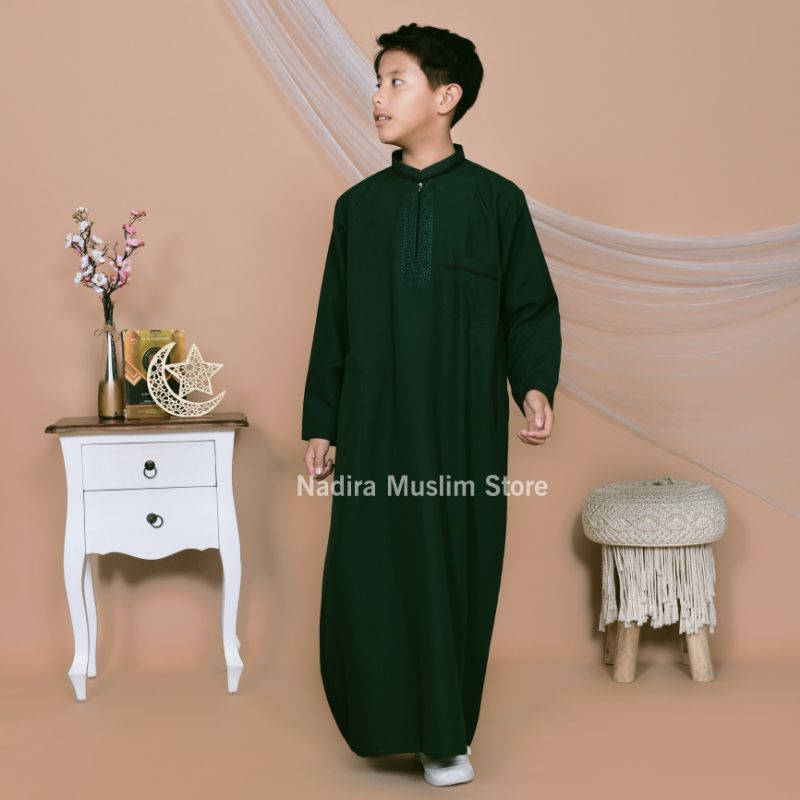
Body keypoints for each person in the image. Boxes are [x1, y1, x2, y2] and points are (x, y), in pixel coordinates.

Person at [301, 22, 561, 787]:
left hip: (461, 430)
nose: (377, 96)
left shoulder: (497, 202)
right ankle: (385, 721)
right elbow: (333, 323)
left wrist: (534, 386)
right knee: (373, 571)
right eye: (378, 81)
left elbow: (529, 308)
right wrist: (323, 423)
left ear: (446, 97)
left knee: (455, 568)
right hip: (374, 425)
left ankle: (446, 737)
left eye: (396, 81)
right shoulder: (358, 209)